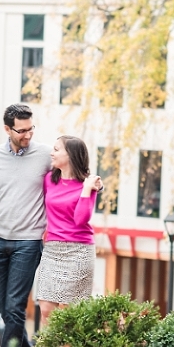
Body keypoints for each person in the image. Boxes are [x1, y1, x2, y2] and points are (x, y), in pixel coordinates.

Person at [0, 104, 51, 347]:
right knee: (4, 307)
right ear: (7, 129)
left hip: (29, 242)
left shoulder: (45, 155)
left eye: (31, 128)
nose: (27, 135)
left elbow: (70, 175)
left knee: (15, 307)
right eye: (21, 131)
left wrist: (92, 184)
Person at [35, 135, 102, 326]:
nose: (51, 153)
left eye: (56, 150)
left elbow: (81, 220)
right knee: (46, 309)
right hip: (53, 250)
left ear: (70, 155)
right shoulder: (49, 179)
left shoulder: (88, 185)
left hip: (79, 251)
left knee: (72, 313)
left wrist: (86, 190)